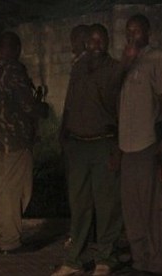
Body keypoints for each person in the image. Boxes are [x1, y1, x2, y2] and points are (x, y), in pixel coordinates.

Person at [52, 24, 123, 276]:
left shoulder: (115, 70)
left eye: (101, 41)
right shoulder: (78, 68)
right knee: (79, 203)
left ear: (107, 42)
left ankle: (105, 257)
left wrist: (117, 148)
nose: (96, 45)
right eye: (92, 41)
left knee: (106, 204)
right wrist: (64, 137)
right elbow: (69, 104)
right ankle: (75, 260)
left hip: (104, 143)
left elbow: (122, 112)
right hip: (78, 146)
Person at [0, 31, 47, 255]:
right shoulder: (15, 70)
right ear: (17, 49)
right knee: (17, 190)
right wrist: (42, 109)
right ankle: (11, 241)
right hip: (16, 140)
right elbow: (28, 105)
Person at [118, 14, 162, 275]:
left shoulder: (156, 58)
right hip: (126, 146)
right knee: (131, 208)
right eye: (128, 30)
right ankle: (139, 261)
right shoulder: (125, 62)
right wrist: (125, 63)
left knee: (152, 209)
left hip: (148, 144)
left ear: (147, 32)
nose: (132, 35)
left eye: (137, 30)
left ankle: (156, 262)